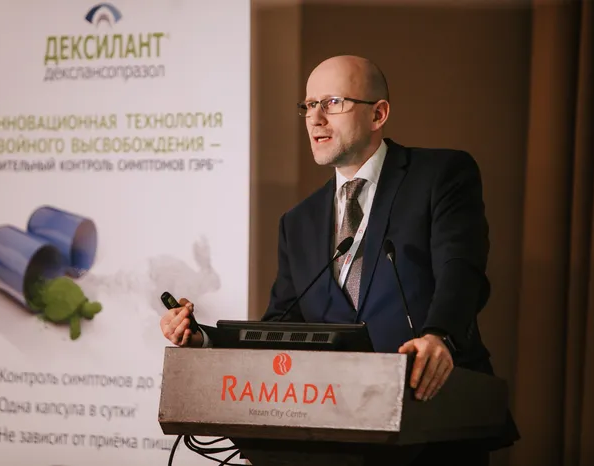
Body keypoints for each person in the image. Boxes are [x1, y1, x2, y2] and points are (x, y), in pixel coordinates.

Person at [160, 55, 518, 465]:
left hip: (431, 419)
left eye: (332, 103)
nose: (315, 119)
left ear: (378, 114)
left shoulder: (439, 175)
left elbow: (461, 268)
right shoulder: (299, 221)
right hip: (335, 430)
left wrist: (440, 336)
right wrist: (204, 339)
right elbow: (282, 325)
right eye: (309, 105)